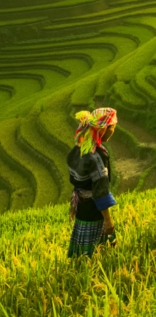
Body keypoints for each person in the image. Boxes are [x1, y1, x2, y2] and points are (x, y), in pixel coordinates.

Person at [66, 107, 118, 258]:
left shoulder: (78, 149)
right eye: (112, 127)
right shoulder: (98, 156)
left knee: (81, 251)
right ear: (103, 129)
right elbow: (100, 191)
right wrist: (108, 221)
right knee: (96, 254)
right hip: (94, 210)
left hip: (81, 206)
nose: (113, 131)